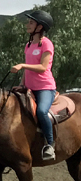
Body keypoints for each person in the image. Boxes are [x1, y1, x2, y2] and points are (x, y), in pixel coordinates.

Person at [11, 10, 56, 161]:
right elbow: (28, 70)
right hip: (29, 87)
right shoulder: (28, 45)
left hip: (45, 87)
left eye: (31, 22)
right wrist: (21, 85)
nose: (27, 25)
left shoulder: (47, 44)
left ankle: (50, 144)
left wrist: (23, 65)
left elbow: (43, 67)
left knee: (42, 112)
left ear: (40, 26)